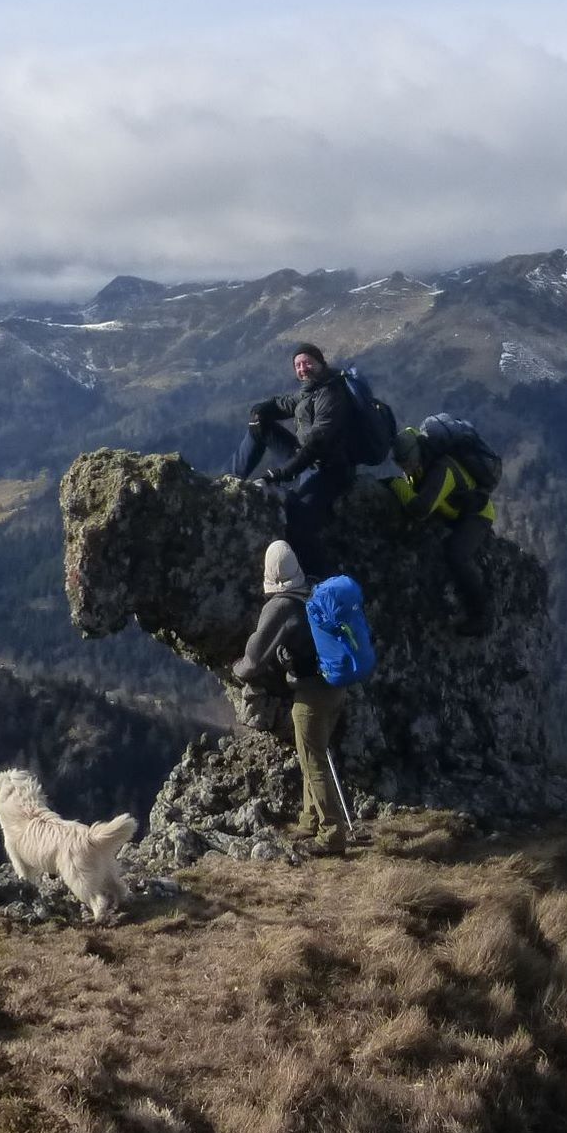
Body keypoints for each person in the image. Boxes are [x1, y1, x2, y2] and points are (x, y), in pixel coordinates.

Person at [229, 539, 351, 852]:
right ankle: (310, 820)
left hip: (312, 694)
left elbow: (252, 661)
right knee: (316, 752)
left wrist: (236, 669)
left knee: (313, 762)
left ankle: (332, 835)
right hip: (337, 686)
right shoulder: (312, 591)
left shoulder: (280, 605)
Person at [228, 342, 357, 577]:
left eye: (307, 362)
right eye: (298, 365)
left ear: (320, 363)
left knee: (298, 517)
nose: (303, 368)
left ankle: (318, 578)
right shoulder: (311, 389)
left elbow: (316, 445)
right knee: (260, 426)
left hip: (330, 469)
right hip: (307, 458)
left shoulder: (331, 394)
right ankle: (229, 481)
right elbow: (285, 403)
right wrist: (261, 410)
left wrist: (278, 474)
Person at [388, 424, 497, 636]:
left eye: (406, 462)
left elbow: (421, 509)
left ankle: (483, 613)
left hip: (476, 515)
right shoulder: (421, 461)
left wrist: (395, 485)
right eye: (400, 464)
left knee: (457, 555)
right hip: (452, 511)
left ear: (415, 453)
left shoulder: (442, 470)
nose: (405, 468)